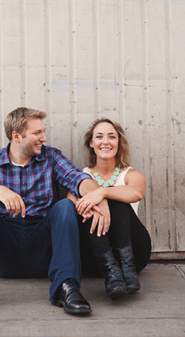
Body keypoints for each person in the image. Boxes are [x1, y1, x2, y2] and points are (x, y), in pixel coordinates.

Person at [0, 107, 110, 317]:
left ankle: (66, 287)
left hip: (41, 247)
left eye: (43, 132)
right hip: (4, 248)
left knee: (65, 206)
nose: (44, 138)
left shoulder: (51, 157)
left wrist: (98, 194)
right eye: (37, 133)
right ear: (16, 136)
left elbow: (78, 179)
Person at [68, 119, 152, 299]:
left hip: (135, 254)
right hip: (94, 259)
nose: (105, 142)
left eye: (111, 137)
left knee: (114, 197)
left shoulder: (131, 175)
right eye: (99, 136)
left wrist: (103, 192)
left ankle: (127, 268)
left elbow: (137, 193)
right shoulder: (80, 178)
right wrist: (90, 204)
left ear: (119, 143)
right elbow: (70, 209)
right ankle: (111, 271)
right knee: (90, 204)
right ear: (91, 143)